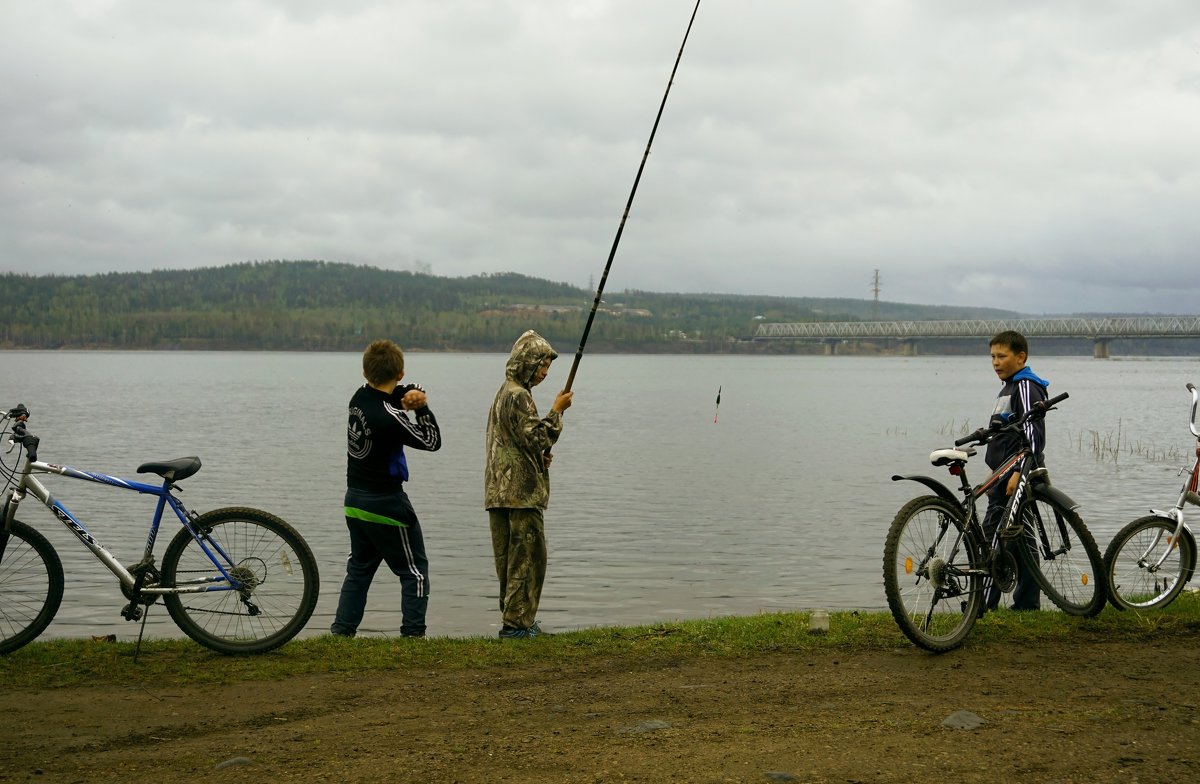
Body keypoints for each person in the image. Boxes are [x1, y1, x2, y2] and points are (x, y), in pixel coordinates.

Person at [331, 339, 442, 638]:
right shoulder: (391, 418)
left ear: (366, 372)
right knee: (414, 571)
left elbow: (390, 395)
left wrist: (409, 394)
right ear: (400, 373)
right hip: (386, 503)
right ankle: (413, 635)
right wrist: (422, 408)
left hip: (354, 501)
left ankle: (342, 633)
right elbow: (431, 442)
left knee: (359, 569)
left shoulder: (358, 399)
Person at [484, 330, 573, 639]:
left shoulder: (503, 392)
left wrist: (538, 460)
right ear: (527, 363)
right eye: (542, 366)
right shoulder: (519, 395)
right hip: (520, 495)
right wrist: (557, 411)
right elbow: (538, 436)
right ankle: (517, 626)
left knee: (509, 561)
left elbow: (517, 442)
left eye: (548, 368)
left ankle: (514, 620)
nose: (545, 374)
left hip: (499, 493)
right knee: (528, 560)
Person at [982, 330, 1049, 612]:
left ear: (1021, 357)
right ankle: (1027, 603)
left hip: (1017, 474)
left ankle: (984, 602)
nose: (996, 362)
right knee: (1021, 539)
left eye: (1002, 356)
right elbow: (1004, 434)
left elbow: (1033, 435)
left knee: (992, 535)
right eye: (993, 357)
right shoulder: (1008, 387)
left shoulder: (1024, 386)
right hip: (1003, 473)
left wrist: (1018, 473)